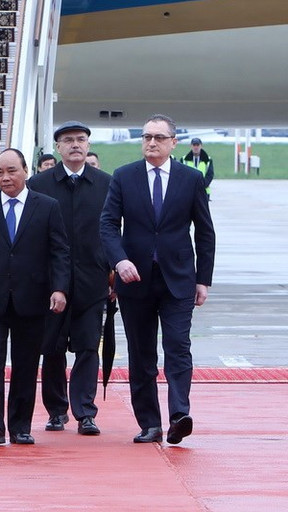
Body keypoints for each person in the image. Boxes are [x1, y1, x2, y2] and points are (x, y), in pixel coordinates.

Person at [99, 114, 215, 445]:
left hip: (178, 279)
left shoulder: (191, 179)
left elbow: (204, 232)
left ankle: (179, 415)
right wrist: (119, 261)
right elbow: (108, 225)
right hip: (135, 280)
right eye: (147, 136)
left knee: (178, 346)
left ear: (172, 143)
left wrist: (203, 278)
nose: (151, 142)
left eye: (159, 137)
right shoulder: (124, 177)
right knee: (142, 352)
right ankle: (149, 422)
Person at [0, 149, 70, 445]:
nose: (5, 178)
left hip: (32, 297)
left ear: (25, 171)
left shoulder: (47, 207)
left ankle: (20, 426)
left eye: (11, 171)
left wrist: (59, 288)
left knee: (25, 364)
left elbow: (59, 252)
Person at [28, 121, 112, 436]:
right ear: (59, 147)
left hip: (93, 279)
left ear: (88, 145)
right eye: (68, 140)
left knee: (89, 347)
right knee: (52, 347)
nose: (75, 144)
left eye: (80, 139)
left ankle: (85, 412)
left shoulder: (106, 184)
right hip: (51, 284)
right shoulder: (39, 184)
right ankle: (56, 410)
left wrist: (114, 271)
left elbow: (116, 231)